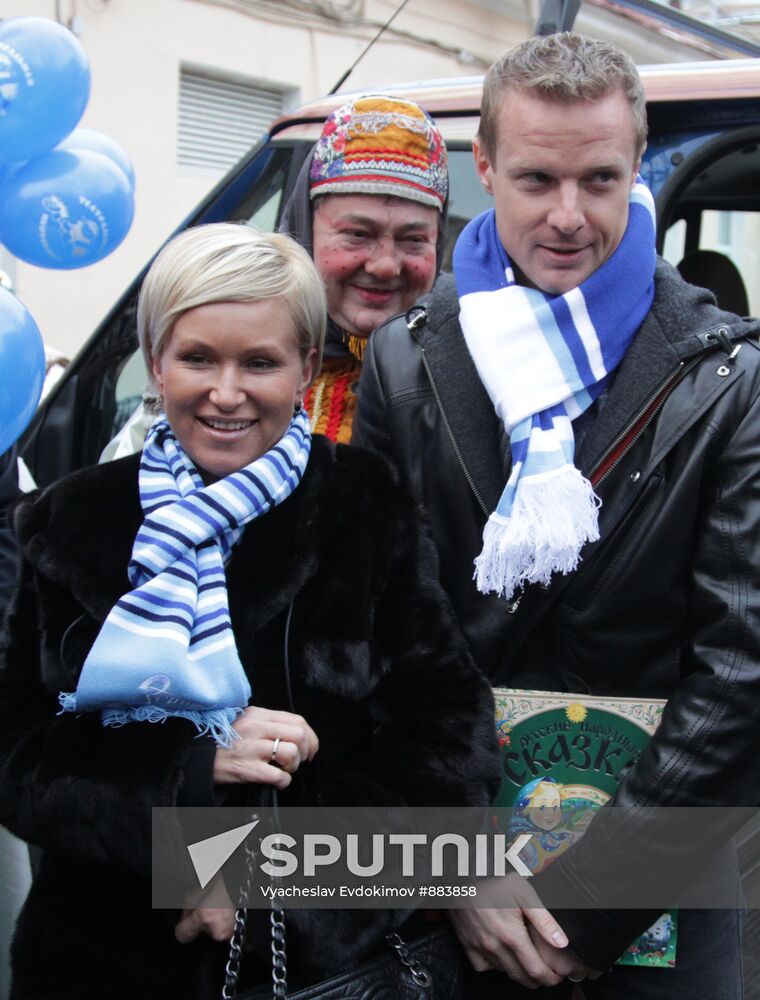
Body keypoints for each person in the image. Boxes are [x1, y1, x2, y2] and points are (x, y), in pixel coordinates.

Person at [354, 32, 760, 998]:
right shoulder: (406, 358)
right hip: (456, 896)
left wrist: (589, 902)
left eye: (601, 180)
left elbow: (742, 671)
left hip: (659, 892)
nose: (570, 217)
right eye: (536, 179)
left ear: (635, 168)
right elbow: (377, 634)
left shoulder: (729, 373)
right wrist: (457, 867)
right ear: (484, 168)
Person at [0, 223, 502, 999]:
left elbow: (449, 756)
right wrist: (188, 774)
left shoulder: (365, 508)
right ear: (156, 361)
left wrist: (256, 873)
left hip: (313, 975)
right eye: (198, 357)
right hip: (98, 963)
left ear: (305, 366)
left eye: (259, 362)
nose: (225, 392)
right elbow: (17, 752)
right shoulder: (68, 521)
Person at [278, 92, 448, 442]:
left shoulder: (472, 373)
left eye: (413, 240)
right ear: (306, 232)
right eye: (357, 234)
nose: (385, 266)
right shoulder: (240, 351)